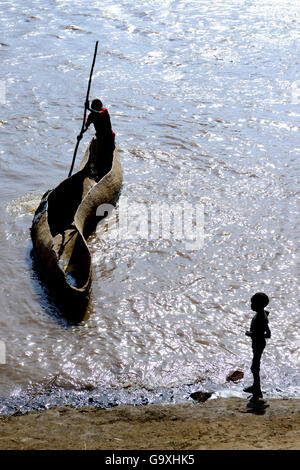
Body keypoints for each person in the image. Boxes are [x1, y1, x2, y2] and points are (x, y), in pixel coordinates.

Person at [243, 292, 271, 400]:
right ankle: (255, 387)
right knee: (255, 367)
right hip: (257, 343)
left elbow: (268, 334)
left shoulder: (261, 317)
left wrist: (250, 333)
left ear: (259, 305)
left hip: (259, 343)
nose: (251, 305)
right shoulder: (261, 314)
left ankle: (257, 391)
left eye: (253, 303)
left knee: (254, 367)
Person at [78, 99, 116, 172]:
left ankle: (106, 169)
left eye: (94, 106)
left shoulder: (104, 111)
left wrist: (88, 108)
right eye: (92, 106)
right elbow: (86, 126)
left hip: (108, 138)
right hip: (100, 138)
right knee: (99, 158)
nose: (93, 107)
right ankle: (98, 170)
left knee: (108, 156)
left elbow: (99, 113)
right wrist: (81, 134)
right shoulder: (91, 116)